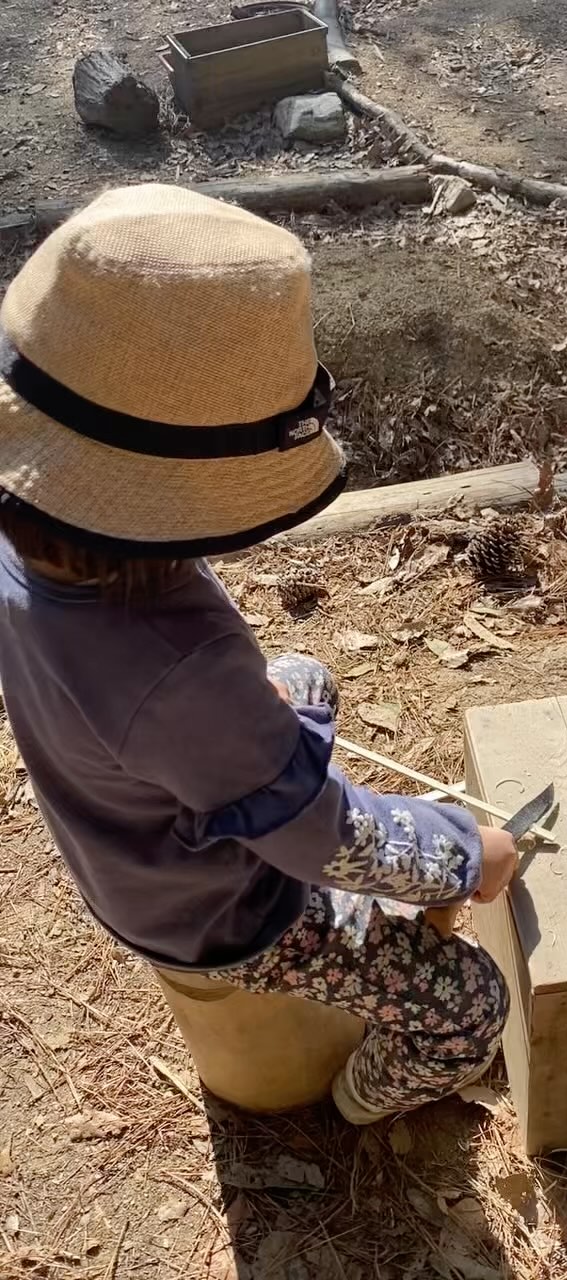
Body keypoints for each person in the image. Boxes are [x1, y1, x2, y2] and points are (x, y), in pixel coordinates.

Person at [0, 184, 516, 1125]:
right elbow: (320, 839)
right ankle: (361, 1103)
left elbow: (200, 722)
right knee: (471, 1004)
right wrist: (461, 853)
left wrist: (267, 740)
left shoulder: (26, 533)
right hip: (225, 915)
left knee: (303, 679)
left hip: (119, 840)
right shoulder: (179, 672)